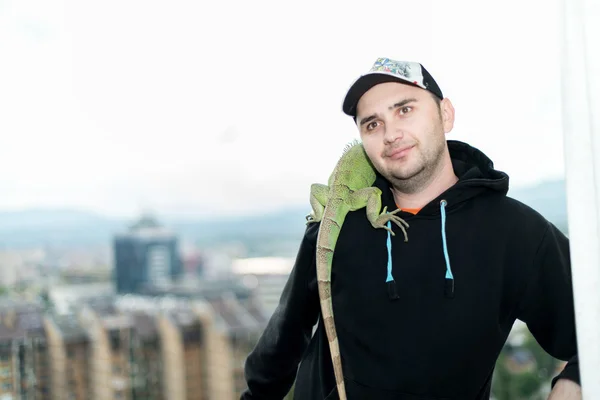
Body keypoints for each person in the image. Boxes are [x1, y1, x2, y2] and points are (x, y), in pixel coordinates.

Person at [240, 57, 581, 400]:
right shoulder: (336, 224)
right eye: (372, 124)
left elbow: (589, 325)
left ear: (445, 114)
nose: (390, 134)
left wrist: (575, 382)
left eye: (404, 110)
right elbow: (279, 348)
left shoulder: (515, 231)